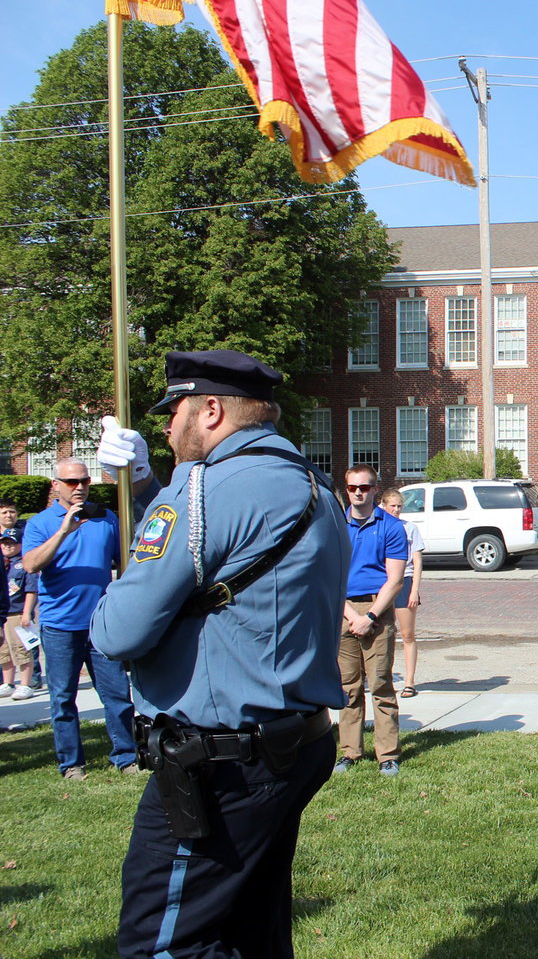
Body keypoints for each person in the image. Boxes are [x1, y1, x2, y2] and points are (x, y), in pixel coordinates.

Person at [89, 349, 351, 959]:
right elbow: (228, 561)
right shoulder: (316, 487)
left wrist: (157, 498)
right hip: (293, 741)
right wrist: (152, 488)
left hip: (219, 763)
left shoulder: (202, 490)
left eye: (173, 409)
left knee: (165, 942)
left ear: (209, 410)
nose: (165, 425)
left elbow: (116, 631)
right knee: (251, 931)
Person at [23, 458, 137, 778]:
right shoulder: (40, 524)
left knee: (116, 694)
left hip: (100, 624)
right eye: (71, 482)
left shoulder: (106, 519)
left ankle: (126, 757)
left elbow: (124, 561)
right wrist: (64, 530)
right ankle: (72, 763)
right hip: (60, 625)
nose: (79, 487)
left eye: (84, 481)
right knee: (62, 699)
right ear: (55, 485)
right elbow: (31, 565)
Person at [335, 464, 407, 776]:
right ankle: (349, 752)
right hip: (344, 611)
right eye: (353, 488)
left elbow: (395, 580)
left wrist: (371, 616)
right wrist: (351, 615)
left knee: (380, 684)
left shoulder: (391, 526)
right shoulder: (336, 527)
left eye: (364, 487)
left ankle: (387, 754)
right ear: (347, 489)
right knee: (348, 687)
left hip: (378, 610)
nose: (358, 493)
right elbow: (328, 577)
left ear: (375, 489)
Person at [379, 488, 426, 699]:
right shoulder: (377, 527)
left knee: (407, 634)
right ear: (383, 505)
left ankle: (409, 681)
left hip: (405, 582)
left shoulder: (410, 529)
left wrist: (415, 589)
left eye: (399, 506)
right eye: (392, 506)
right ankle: (382, 678)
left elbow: (417, 562)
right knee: (383, 634)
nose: (397, 510)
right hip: (382, 583)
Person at [0, 531, 38, 700]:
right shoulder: (2, 563)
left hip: (17, 612)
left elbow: (31, 590)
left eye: (12, 543)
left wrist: (26, 613)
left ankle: (25, 684)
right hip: (3, 614)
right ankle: (8, 683)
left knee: (22, 649)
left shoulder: (24, 564)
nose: (8, 546)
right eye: (5, 543)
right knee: (4, 652)